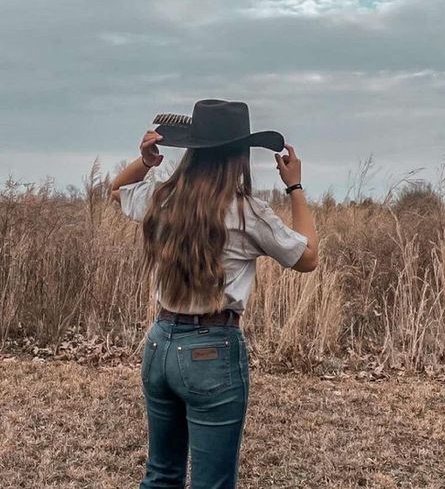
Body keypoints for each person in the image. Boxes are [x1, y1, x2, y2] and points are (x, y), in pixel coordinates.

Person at [110, 99, 318, 489]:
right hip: (212, 351)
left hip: (159, 344)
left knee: (161, 475)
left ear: (192, 150)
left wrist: (146, 162)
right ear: (239, 156)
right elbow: (307, 257)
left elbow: (117, 189)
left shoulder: (163, 198)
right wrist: (295, 187)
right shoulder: (245, 213)